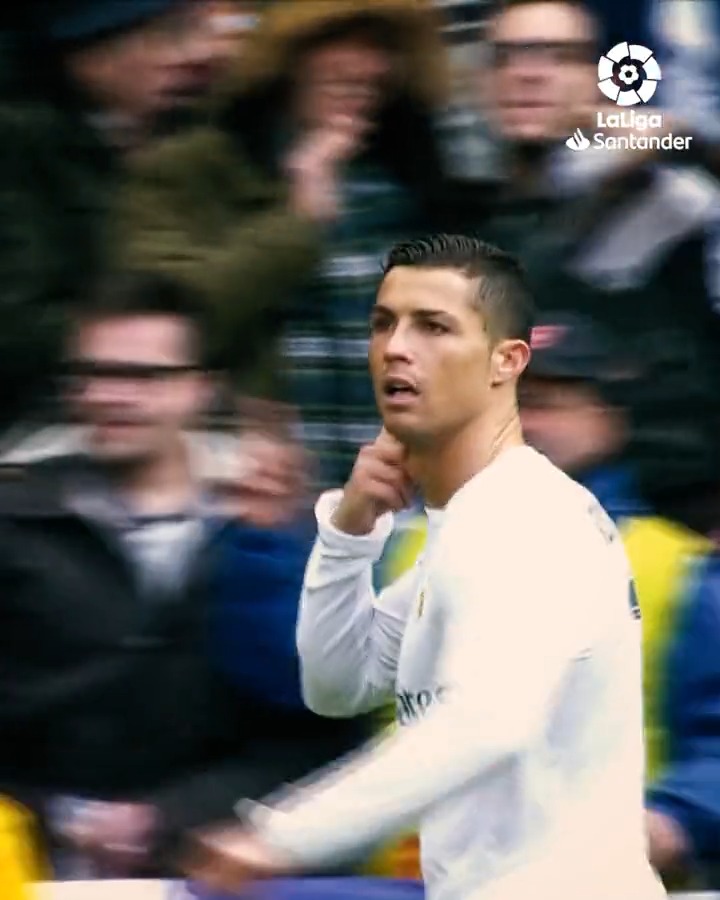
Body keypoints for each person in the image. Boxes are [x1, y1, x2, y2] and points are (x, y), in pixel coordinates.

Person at [184, 234, 665, 900]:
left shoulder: (527, 520)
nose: (396, 347)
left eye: (433, 327)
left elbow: (486, 723)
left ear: (507, 362)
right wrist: (348, 534)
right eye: (384, 324)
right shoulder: (467, 523)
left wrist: (281, 837)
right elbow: (338, 685)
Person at [0, 271, 369, 879]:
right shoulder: (17, 516)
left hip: (219, 867)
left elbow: (323, 733)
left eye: (143, 377)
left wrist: (171, 816)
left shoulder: (272, 529)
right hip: (29, 860)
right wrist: (56, 814)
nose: (110, 396)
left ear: (202, 388)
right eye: (92, 373)